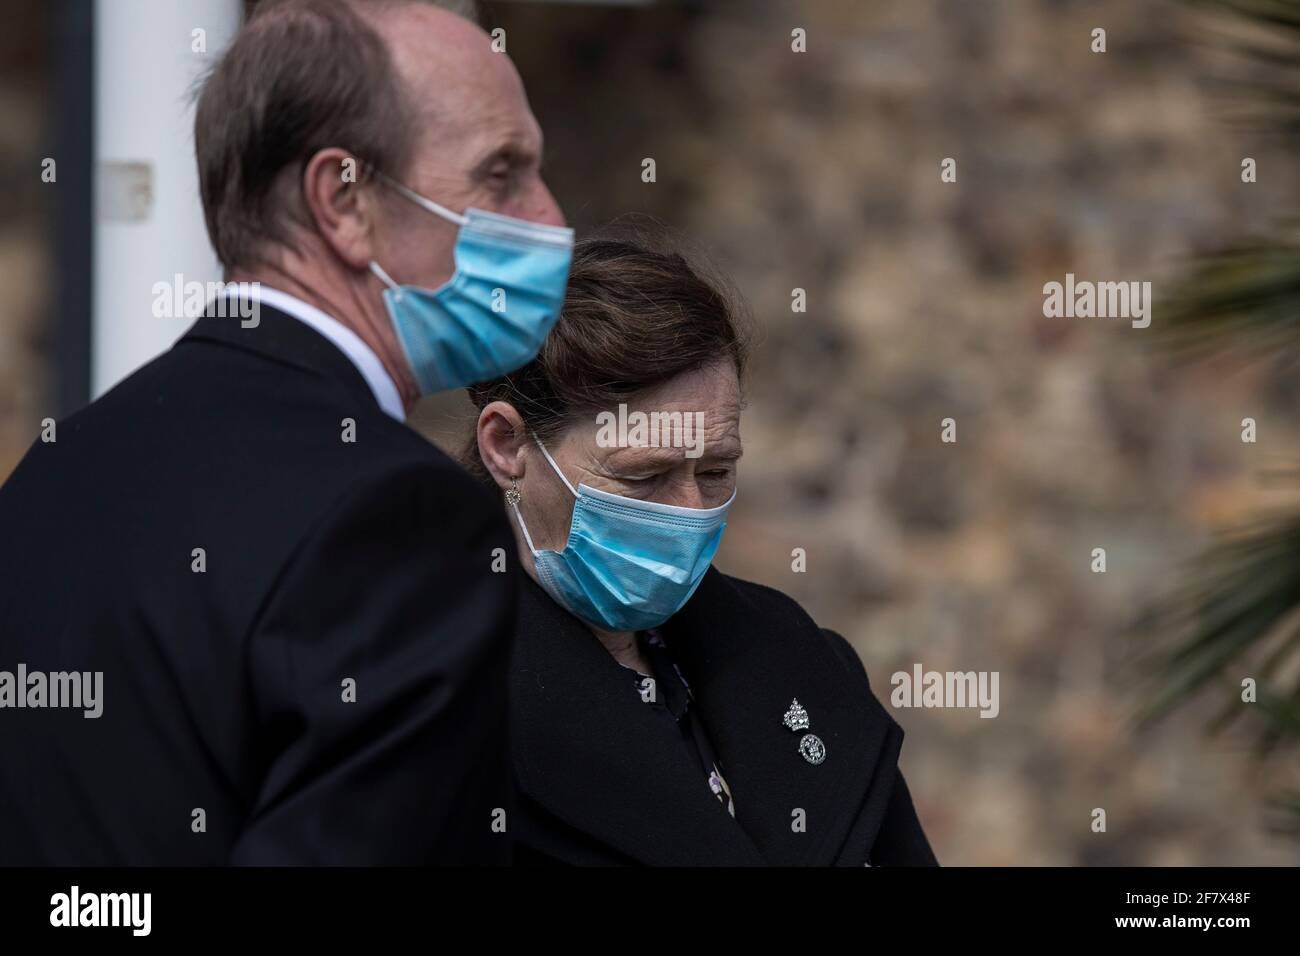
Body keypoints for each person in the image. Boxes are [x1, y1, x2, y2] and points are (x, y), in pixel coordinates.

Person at [0, 0, 570, 864]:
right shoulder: (399, 516)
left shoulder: (51, 471)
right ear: (343, 200)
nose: (550, 219)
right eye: (501, 175)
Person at [470, 235, 938, 866]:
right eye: (644, 476)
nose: (691, 510)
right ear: (508, 447)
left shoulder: (795, 658)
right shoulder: (430, 704)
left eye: (716, 470)